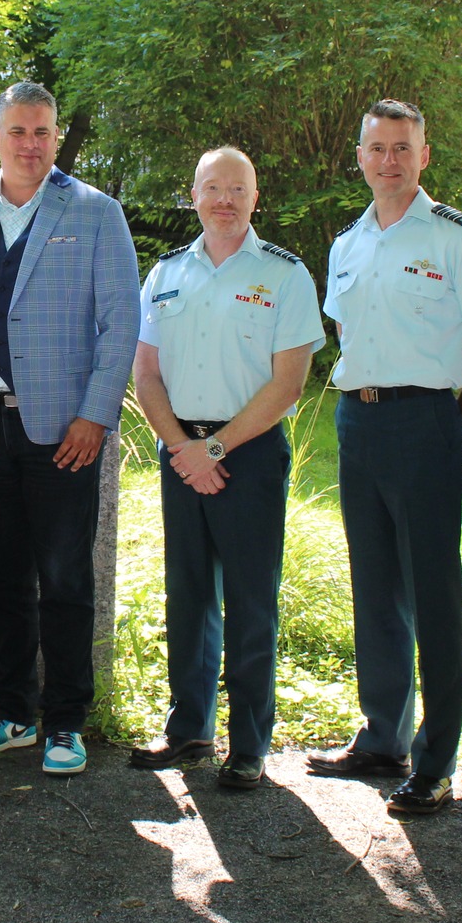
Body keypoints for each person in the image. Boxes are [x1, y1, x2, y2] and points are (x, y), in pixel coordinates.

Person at [0, 81, 141, 777]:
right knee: (2, 575)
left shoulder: (96, 212)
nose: (31, 144)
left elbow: (121, 322)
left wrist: (96, 414)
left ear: (56, 136)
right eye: (18, 131)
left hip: (64, 429)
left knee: (65, 578)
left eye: (42, 132)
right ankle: (12, 712)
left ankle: (66, 722)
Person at [306, 98, 462, 817]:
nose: (388, 160)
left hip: (425, 421)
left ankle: (435, 760)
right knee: (374, 585)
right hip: (358, 421)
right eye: (377, 148)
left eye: (402, 148)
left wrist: (451, 416)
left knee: (432, 592)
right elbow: (349, 333)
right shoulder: (347, 243)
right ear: (360, 157)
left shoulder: (457, 236)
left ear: (424, 156)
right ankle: (383, 738)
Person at [128, 147, 325, 790]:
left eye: (237, 189)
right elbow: (146, 371)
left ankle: (248, 744)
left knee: (249, 599)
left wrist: (212, 450)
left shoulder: (285, 274)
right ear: (194, 197)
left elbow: (288, 382)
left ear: (254, 198)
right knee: (187, 595)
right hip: (181, 451)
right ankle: (189, 729)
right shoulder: (165, 274)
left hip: (250, 452)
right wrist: (182, 447)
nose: (224, 200)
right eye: (212, 188)